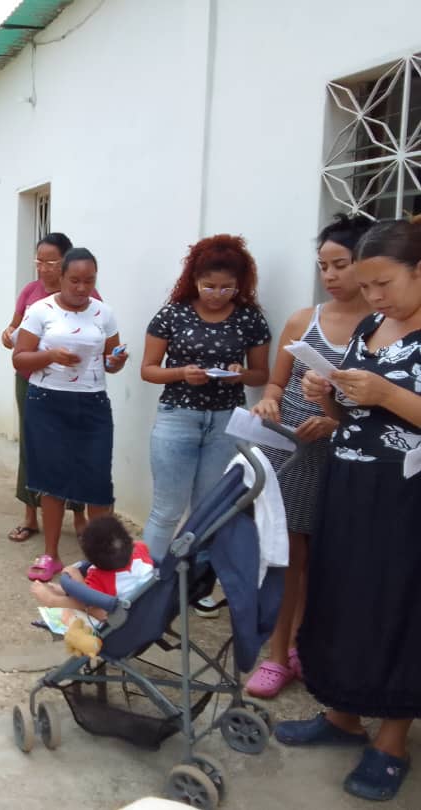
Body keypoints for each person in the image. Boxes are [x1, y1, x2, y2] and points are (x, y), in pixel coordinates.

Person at [275, 216, 421, 803]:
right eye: (367, 285)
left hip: (405, 497)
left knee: (397, 607)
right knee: (342, 596)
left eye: (384, 283)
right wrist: (329, 397)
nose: (374, 296)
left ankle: (391, 740)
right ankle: (342, 715)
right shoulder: (369, 326)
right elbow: (357, 417)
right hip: (348, 483)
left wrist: (385, 393)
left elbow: (390, 405)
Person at [244, 214, 374, 699]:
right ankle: (278, 656)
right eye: (323, 266)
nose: (331, 276)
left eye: (341, 264)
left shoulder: (385, 329)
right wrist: (271, 399)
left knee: (330, 561)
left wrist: (338, 421)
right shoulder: (304, 320)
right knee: (286, 558)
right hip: (291, 454)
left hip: (348, 457)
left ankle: (308, 647)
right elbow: (275, 381)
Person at [140, 235, 271, 585]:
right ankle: (142, 585)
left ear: (239, 284)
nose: (216, 294)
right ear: (194, 280)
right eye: (209, 286)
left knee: (208, 511)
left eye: (226, 287)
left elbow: (262, 374)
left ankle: (197, 585)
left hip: (228, 421)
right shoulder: (173, 313)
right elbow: (148, 369)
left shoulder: (249, 318)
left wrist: (239, 374)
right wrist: (182, 373)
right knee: (166, 509)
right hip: (177, 417)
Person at [13, 247, 129, 582]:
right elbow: (20, 359)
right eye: (74, 280)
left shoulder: (104, 313)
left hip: (92, 403)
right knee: (52, 481)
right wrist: (50, 356)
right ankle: (50, 554)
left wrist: (117, 361)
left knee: (97, 481)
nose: (81, 288)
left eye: (88, 281)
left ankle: (99, 558)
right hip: (47, 402)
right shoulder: (39, 310)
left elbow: (110, 360)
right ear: (61, 278)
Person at [1, 233, 95, 543]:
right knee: (33, 448)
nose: (42, 268)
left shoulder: (87, 295)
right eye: (38, 261)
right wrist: (9, 333)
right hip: (31, 382)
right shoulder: (31, 292)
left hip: (73, 386)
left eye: (50, 262)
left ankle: (78, 514)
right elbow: (14, 328)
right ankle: (31, 515)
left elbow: (98, 337)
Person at [30, 515, 154, 622]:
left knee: (89, 607)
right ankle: (61, 591)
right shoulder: (141, 549)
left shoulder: (99, 577)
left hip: (122, 616)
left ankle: (53, 601)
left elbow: (86, 598)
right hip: (149, 604)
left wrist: (75, 575)